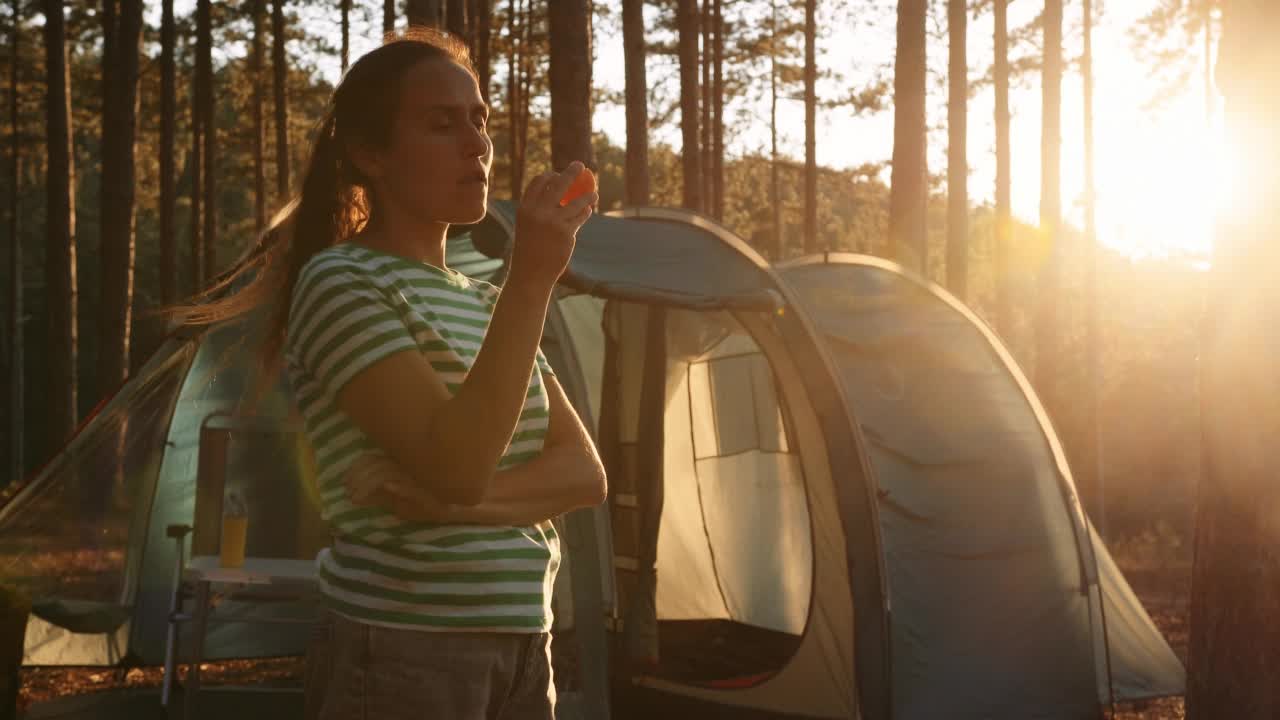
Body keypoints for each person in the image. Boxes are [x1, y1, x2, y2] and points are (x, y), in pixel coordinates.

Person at [176, 28, 606, 719]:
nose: (477, 144)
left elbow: (583, 475)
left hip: (528, 643)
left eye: (479, 120)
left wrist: (441, 507)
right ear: (369, 154)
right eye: (442, 124)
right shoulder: (342, 281)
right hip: (406, 649)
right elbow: (458, 463)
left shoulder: (488, 300)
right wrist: (533, 277)